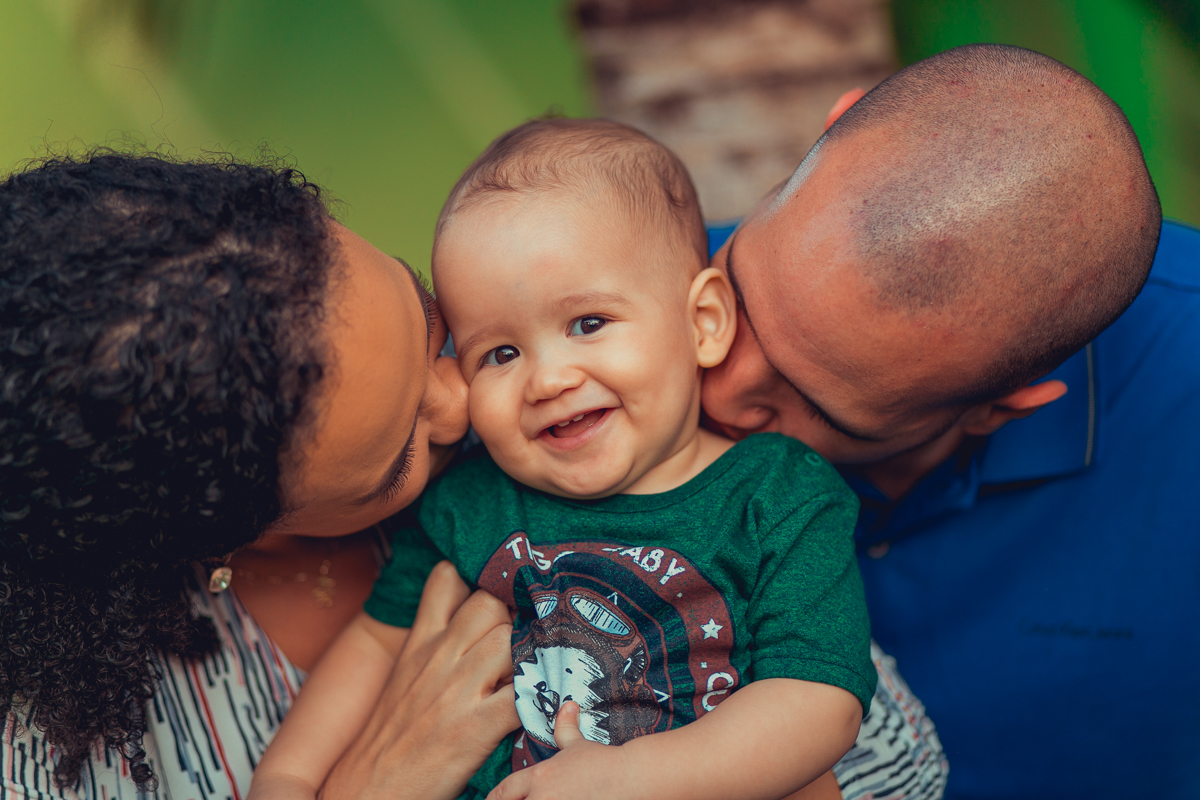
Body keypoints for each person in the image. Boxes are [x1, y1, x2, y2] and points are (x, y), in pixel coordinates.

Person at [250, 119, 874, 800]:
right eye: (500, 354)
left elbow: (819, 700)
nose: (548, 379)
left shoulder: (776, 495)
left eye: (588, 324)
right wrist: (288, 778)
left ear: (702, 322)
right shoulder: (472, 500)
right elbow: (376, 645)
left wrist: (633, 778)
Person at [701, 44, 1199, 799]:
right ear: (836, 125)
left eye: (817, 407)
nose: (718, 391)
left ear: (1001, 407)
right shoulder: (603, 312)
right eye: (732, 291)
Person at [0, 152, 519, 800]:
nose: (467, 403)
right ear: (220, 534)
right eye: (399, 462)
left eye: (428, 321)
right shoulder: (42, 765)